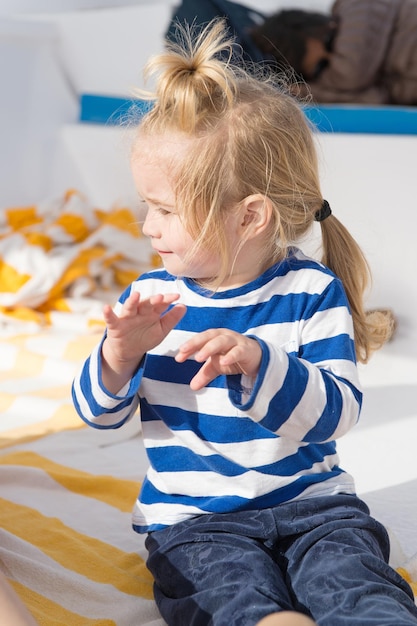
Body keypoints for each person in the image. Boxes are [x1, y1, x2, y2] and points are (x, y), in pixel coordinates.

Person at [72, 19, 417, 626]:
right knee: (227, 601)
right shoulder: (150, 299)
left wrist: (262, 361)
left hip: (318, 511)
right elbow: (98, 419)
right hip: (197, 523)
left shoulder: (312, 293)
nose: (147, 227)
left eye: (165, 210)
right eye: (145, 207)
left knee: (360, 589)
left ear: (249, 216)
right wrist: (117, 358)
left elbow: (336, 413)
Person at [250, 0, 417, 105]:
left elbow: (352, 70)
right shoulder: (359, 86)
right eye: (321, 67)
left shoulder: (360, 7)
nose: (334, 60)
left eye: (329, 42)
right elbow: (375, 99)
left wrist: (307, 91)